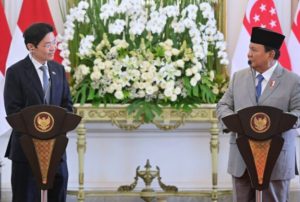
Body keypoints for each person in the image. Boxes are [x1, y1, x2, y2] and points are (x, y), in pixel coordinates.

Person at [217, 26, 300, 201]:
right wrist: (233, 122)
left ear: (271, 54)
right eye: (249, 48)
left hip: (276, 160)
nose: (248, 54)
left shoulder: (293, 81)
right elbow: (223, 105)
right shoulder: (238, 77)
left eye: (254, 50)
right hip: (242, 159)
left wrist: (279, 123)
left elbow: (298, 112)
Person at [4, 22, 73, 202]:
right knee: (26, 195)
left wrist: (54, 130)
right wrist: (38, 131)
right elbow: (13, 111)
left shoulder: (58, 70)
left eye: (54, 43)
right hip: (26, 147)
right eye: (48, 44)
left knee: (58, 192)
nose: (53, 48)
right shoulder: (15, 72)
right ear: (31, 47)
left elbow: (68, 105)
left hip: (55, 147)